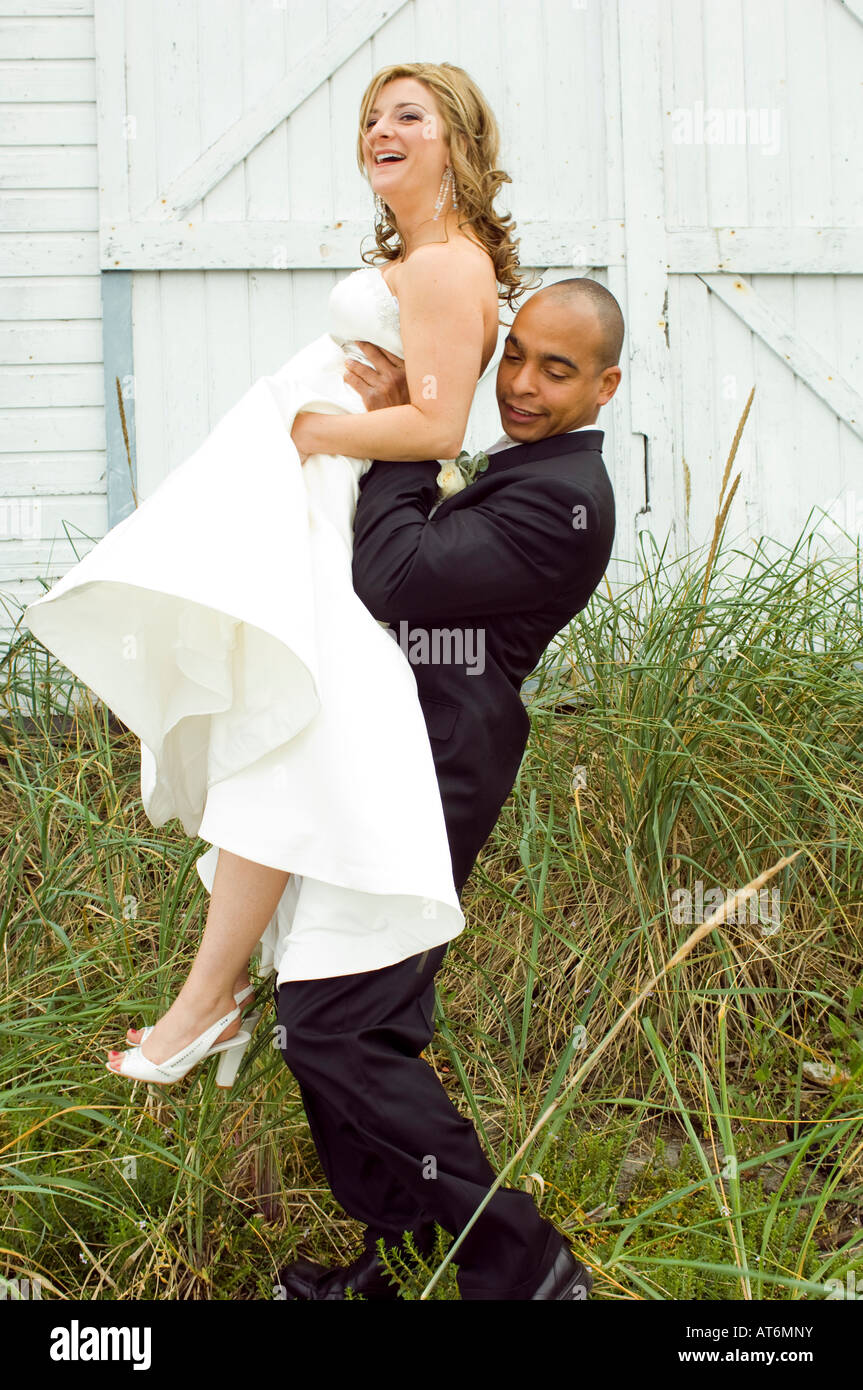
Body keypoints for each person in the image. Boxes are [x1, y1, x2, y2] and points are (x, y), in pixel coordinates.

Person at [21, 61, 525, 1085]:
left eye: (408, 116)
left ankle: (210, 1001)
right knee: (273, 730)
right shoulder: (429, 257)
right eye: (369, 117)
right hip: (317, 497)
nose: (379, 131)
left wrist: (309, 430)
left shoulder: (443, 265)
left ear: (457, 144)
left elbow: (435, 425)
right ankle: (211, 997)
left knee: (281, 728)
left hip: (334, 504)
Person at [274, 275, 622, 1301]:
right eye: (513, 354)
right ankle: (406, 1264)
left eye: (554, 370)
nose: (517, 382)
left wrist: (403, 436)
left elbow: (396, 574)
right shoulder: (526, 470)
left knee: (332, 1024)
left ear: (603, 386)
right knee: (354, 1026)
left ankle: (521, 1260)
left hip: (436, 766)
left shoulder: (565, 501)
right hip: (402, 750)